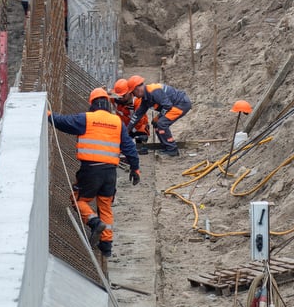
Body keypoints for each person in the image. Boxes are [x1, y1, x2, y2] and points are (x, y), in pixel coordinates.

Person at [50, 88, 140, 266]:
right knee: (105, 206)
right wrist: (135, 169)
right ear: (107, 103)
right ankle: (106, 246)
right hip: (110, 172)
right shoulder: (117, 122)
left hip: (91, 170)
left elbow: (62, 122)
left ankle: (93, 222)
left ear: (92, 103)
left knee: (78, 200)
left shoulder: (86, 119)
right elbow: (129, 147)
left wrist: (48, 114)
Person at [128, 77, 192, 157]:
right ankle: (166, 146)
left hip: (181, 104)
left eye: (133, 93)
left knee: (161, 123)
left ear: (137, 89)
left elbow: (167, 105)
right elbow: (138, 114)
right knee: (156, 123)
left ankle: (172, 149)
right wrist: (128, 129)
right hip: (174, 105)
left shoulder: (154, 91)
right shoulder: (145, 98)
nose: (134, 96)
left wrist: (159, 117)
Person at [113, 77, 151, 154]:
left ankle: (141, 142)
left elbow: (140, 120)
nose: (120, 98)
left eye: (123, 96)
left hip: (138, 125)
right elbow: (104, 94)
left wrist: (129, 133)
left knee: (141, 137)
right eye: (118, 96)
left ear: (130, 92)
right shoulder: (113, 97)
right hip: (124, 125)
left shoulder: (137, 101)